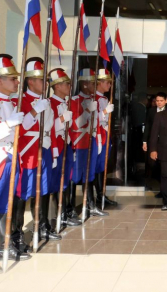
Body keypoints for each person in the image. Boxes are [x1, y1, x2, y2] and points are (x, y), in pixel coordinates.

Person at [0, 54, 31, 274]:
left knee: (5, 207)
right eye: (12, 78)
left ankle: (4, 247)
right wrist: (7, 125)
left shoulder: (12, 103)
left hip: (11, 161)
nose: (17, 82)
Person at [13, 58, 61, 248]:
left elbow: (50, 128)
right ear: (30, 81)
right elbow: (20, 130)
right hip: (28, 151)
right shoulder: (20, 101)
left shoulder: (46, 102)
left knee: (43, 190)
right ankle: (15, 234)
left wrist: (54, 151)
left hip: (45, 148)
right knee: (22, 193)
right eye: (42, 80)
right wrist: (34, 112)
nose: (45, 84)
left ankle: (41, 225)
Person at [69, 68, 107, 218]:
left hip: (90, 140)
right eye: (92, 83)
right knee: (75, 177)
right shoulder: (74, 101)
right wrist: (87, 112)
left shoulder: (93, 101)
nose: (94, 86)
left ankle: (91, 205)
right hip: (78, 144)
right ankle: (70, 209)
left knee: (89, 176)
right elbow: (75, 125)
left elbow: (96, 122)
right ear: (84, 84)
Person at [47, 68, 81, 229]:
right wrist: (61, 119)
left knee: (66, 180)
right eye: (66, 84)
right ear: (57, 86)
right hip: (56, 147)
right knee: (56, 182)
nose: (69, 86)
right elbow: (47, 128)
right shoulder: (49, 103)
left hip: (67, 145)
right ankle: (57, 214)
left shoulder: (66, 103)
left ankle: (66, 212)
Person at [94, 68, 117, 207]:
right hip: (97, 136)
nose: (109, 85)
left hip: (104, 135)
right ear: (100, 82)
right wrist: (104, 112)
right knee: (96, 168)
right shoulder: (93, 98)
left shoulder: (104, 98)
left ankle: (101, 194)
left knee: (102, 167)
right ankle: (97, 196)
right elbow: (90, 119)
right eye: (107, 83)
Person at [143, 92, 167, 198]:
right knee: (152, 164)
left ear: (166, 101)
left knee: (164, 166)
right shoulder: (151, 111)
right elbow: (147, 126)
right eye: (157, 101)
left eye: (161, 101)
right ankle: (150, 183)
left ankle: (164, 190)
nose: (159, 103)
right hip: (153, 142)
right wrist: (144, 141)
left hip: (165, 143)